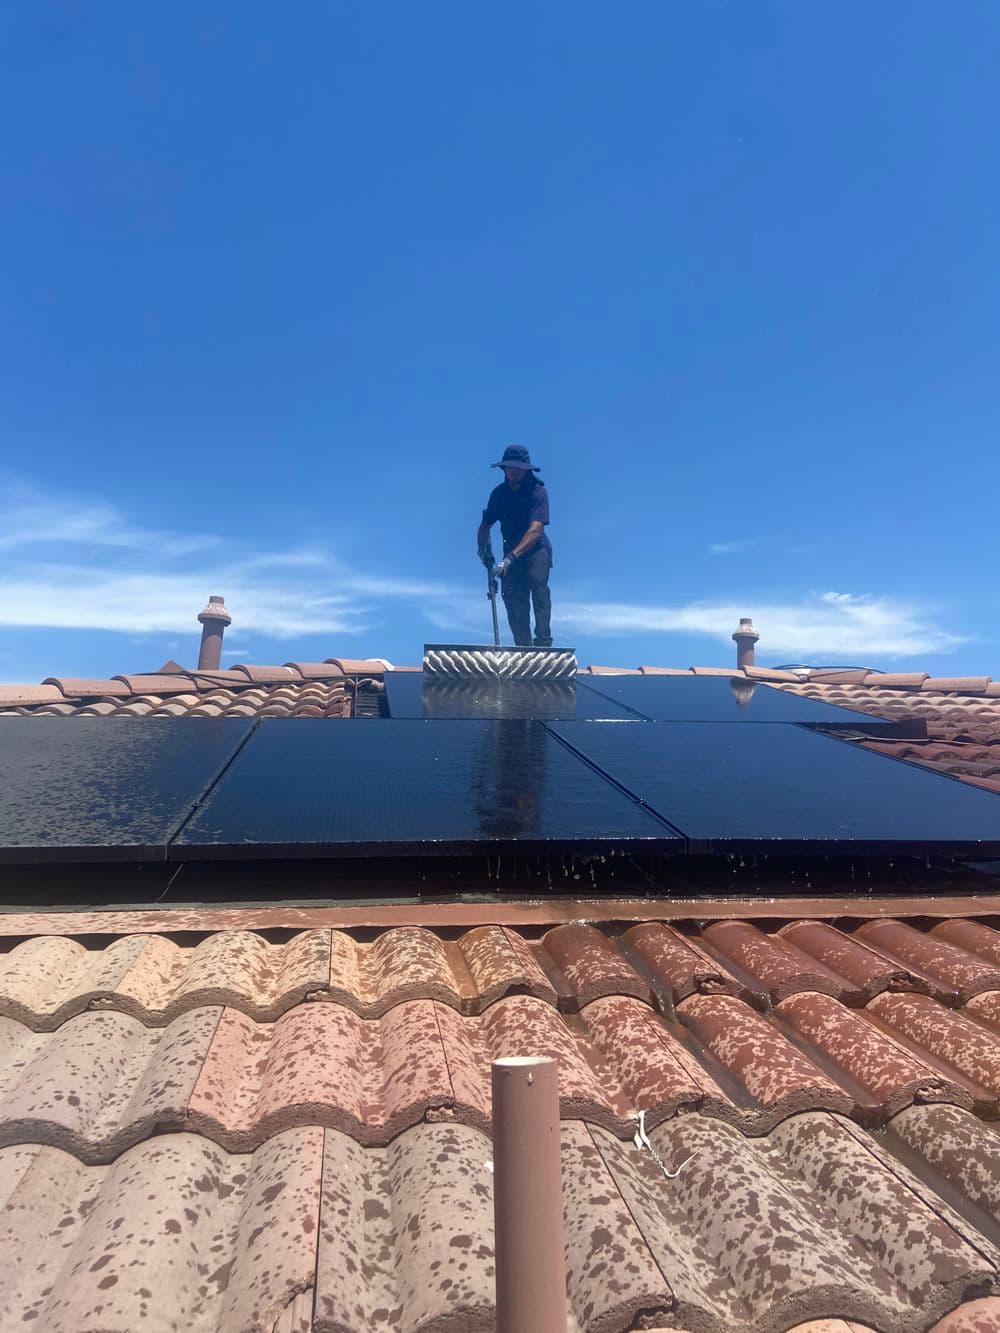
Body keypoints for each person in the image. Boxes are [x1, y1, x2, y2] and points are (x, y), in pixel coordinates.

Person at [477, 444, 553, 648]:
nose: (514, 471)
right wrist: (485, 557)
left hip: (535, 549)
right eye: (511, 467)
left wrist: (511, 558)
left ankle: (543, 642)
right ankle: (523, 646)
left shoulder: (538, 492)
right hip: (509, 554)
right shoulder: (499, 494)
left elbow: (536, 529)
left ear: (526, 470)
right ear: (504, 468)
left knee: (537, 582)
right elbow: (484, 527)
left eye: (519, 468)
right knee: (512, 597)